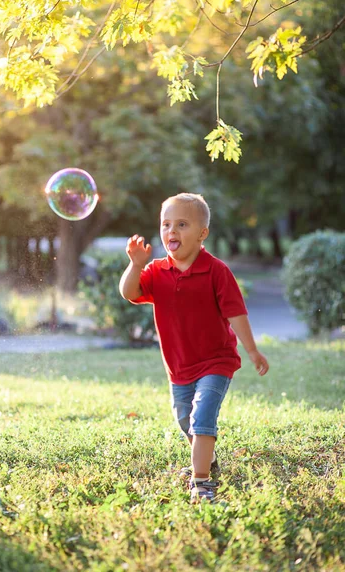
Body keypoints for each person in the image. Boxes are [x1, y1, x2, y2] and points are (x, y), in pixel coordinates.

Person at [119, 193, 269, 503]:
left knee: (202, 419)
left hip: (216, 361)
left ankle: (201, 482)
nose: (172, 231)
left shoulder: (216, 271)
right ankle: (207, 457)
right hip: (179, 366)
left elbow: (235, 314)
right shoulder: (157, 271)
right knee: (185, 420)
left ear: (203, 233)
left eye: (182, 224)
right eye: (166, 224)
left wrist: (252, 350)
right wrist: (136, 265)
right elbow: (128, 291)